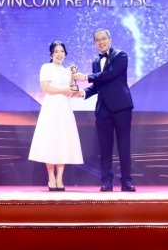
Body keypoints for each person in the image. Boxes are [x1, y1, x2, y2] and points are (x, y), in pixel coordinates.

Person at [72, 28, 135, 192]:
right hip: (103, 109)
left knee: (124, 145)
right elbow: (98, 85)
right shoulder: (95, 62)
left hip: (121, 106)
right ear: (95, 43)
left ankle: (126, 181)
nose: (101, 42)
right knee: (105, 147)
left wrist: (86, 77)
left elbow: (110, 74)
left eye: (103, 38)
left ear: (110, 39)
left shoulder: (120, 55)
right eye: (97, 40)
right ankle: (107, 181)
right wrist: (82, 92)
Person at [28, 40, 84, 191]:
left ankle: (60, 178)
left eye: (62, 51)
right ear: (51, 54)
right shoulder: (46, 67)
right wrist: (64, 90)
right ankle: (51, 177)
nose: (59, 54)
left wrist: (74, 91)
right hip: (51, 107)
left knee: (62, 141)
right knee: (50, 140)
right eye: (56, 51)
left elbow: (70, 90)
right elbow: (45, 88)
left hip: (64, 108)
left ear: (65, 53)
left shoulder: (67, 71)